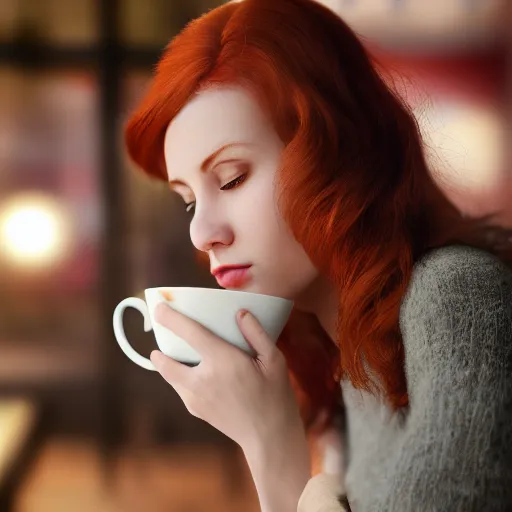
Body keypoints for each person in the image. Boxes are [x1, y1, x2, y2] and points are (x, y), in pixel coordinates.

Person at [124, 0, 512, 510]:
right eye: (190, 200)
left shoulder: (456, 299)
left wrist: (270, 447)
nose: (201, 233)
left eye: (232, 177)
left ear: (337, 153)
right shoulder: (341, 353)